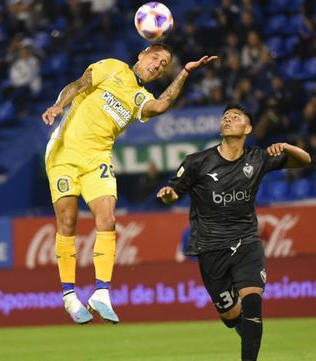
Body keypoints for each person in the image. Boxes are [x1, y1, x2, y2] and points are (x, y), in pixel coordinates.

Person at [41, 43, 217, 324]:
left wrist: (184, 72)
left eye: (163, 65)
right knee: (68, 222)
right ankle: (69, 295)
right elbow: (79, 83)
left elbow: (160, 105)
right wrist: (58, 105)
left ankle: (101, 293)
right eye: (156, 58)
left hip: (97, 158)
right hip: (65, 151)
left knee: (108, 219)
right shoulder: (112, 67)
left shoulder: (139, 97)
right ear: (142, 55)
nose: (158, 65)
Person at [157, 104, 311, 361]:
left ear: (247, 129)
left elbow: (305, 160)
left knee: (252, 303)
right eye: (225, 117)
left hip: (246, 242)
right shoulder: (197, 162)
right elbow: (173, 192)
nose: (228, 119)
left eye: (236, 117)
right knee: (230, 316)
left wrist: (285, 147)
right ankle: (245, 331)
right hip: (210, 247)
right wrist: (168, 196)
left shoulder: (257, 158)